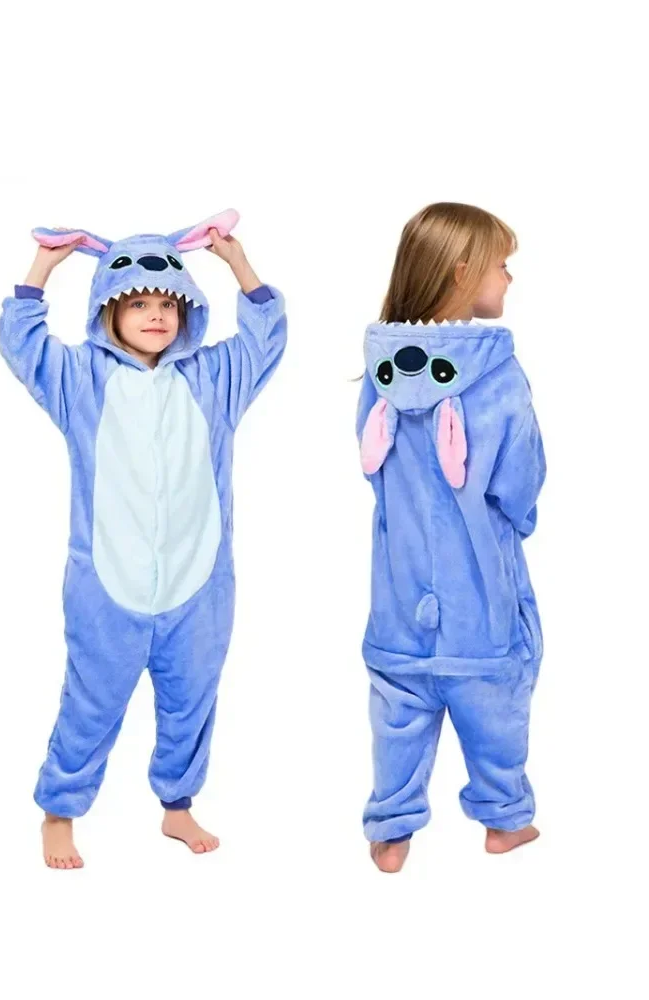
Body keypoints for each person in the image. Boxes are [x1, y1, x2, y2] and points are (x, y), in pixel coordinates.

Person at [0, 211, 286, 868]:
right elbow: (23, 344)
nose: (156, 315)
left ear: (188, 311)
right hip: (106, 583)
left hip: (199, 583)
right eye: (138, 303)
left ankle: (177, 806)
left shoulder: (213, 380)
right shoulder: (81, 381)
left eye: (168, 303)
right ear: (108, 309)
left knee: (192, 701)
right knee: (91, 702)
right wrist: (43, 268)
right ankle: (60, 811)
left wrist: (238, 263)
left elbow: (266, 337)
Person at [356, 202, 546, 873]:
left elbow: (373, 469)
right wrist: (521, 519)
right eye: (501, 265)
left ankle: (391, 833)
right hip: (479, 601)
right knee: (495, 704)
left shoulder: (380, 372)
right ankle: (504, 821)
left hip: (398, 598)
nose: (509, 278)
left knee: (399, 712)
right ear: (463, 272)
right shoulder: (495, 373)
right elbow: (519, 477)